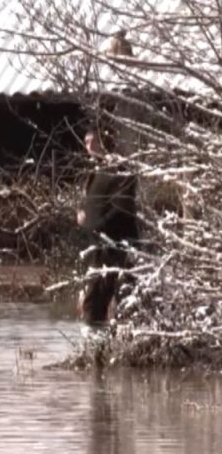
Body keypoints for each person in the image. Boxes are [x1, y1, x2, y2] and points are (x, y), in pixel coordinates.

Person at [77, 128, 139, 326]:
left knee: (106, 296)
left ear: (105, 141)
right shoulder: (95, 170)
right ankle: (96, 339)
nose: (89, 147)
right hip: (97, 242)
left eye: (93, 142)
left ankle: (105, 341)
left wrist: (98, 224)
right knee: (94, 299)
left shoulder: (120, 169)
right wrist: (82, 214)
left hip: (116, 242)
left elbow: (121, 208)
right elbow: (90, 201)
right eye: (86, 143)